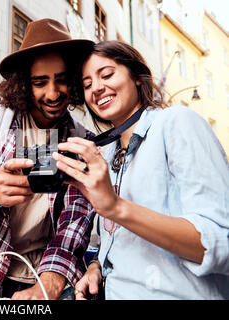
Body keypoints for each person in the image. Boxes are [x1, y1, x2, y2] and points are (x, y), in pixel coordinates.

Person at [53, 40, 229, 299]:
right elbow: (117, 242)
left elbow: (221, 243)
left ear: (136, 76)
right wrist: (96, 268)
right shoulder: (107, 152)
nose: (97, 88)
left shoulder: (177, 122)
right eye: (87, 84)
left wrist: (115, 207)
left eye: (107, 74)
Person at [0, 19, 96, 300]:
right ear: (24, 83)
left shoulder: (79, 138)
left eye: (61, 80)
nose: (52, 94)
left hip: (45, 271)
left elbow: (75, 220)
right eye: (40, 82)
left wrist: (50, 282)